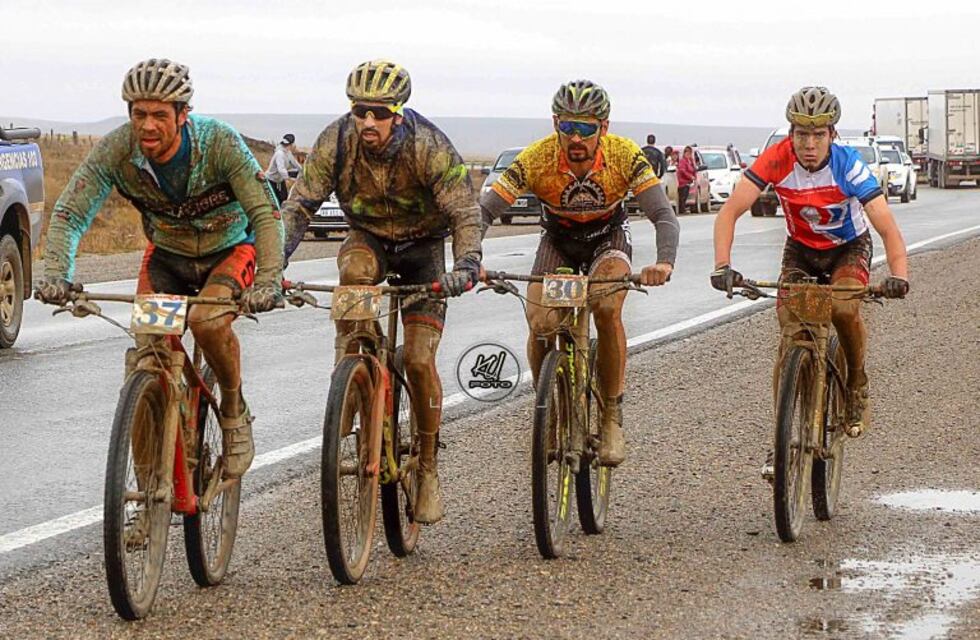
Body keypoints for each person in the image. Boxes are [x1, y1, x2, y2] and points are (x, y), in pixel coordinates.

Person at [37, 58, 285, 481]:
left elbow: (265, 213)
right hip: (167, 257)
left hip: (228, 252)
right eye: (138, 114)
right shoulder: (117, 150)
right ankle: (148, 491)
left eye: (158, 115)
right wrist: (58, 274)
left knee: (207, 324)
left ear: (183, 114)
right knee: (147, 358)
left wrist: (268, 280)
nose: (147, 125)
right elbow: (70, 212)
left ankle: (232, 408)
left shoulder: (220, 143)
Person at [280, 60, 482, 524]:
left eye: (379, 112)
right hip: (368, 238)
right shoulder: (337, 140)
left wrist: (467, 262)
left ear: (398, 112)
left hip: (423, 248)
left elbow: (464, 212)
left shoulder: (428, 145)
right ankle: (355, 362)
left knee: (416, 358)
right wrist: (273, 263)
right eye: (360, 111)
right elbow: (298, 207)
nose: (368, 122)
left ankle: (427, 468)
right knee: (353, 271)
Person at [480, 79, 679, 467]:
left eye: (586, 128)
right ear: (555, 124)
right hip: (558, 240)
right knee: (540, 324)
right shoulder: (537, 158)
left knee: (606, 309)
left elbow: (662, 215)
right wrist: (471, 258)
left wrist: (664, 262)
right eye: (567, 126)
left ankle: (610, 417)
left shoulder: (624, 155)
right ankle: (549, 410)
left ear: (603, 127)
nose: (575, 137)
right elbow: (486, 211)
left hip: (608, 240)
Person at [711, 86, 909, 442]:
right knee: (790, 334)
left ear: (832, 134)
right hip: (801, 249)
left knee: (844, 310)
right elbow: (729, 211)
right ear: (791, 134)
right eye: (802, 134)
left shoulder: (848, 166)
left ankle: (856, 383)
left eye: (819, 134)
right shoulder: (776, 159)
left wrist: (899, 276)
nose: (809, 144)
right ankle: (781, 437)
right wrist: (722, 265)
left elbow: (887, 227)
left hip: (847, 248)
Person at [265, 133, 302, 204]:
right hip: (272, 181)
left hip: (280, 180)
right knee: (274, 202)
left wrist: (302, 171)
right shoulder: (280, 154)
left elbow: (295, 163)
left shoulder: (288, 152)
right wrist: (288, 179)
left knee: (284, 199)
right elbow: (281, 169)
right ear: (291, 144)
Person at [676, 146, 696, 214]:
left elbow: (693, 169)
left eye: (690, 153)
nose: (689, 155)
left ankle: (683, 208)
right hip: (683, 182)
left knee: (685, 195)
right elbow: (682, 170)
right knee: (682, 196)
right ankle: (682, 209)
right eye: (688, 153)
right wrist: (690, 176)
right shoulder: (682, 161)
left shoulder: (690, 161)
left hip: (688, 182)